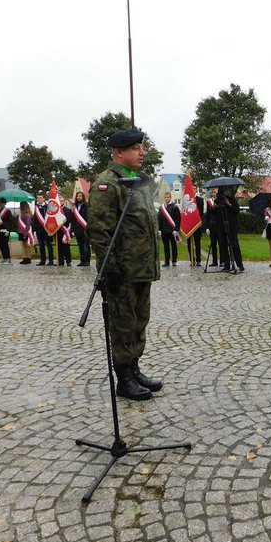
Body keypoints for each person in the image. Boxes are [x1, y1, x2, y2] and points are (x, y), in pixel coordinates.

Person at [87, 129, 162, 401]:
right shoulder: (108, 183)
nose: (141, 152)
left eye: (142, 147)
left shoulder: (138, 182)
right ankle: (124, 378)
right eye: (135, 148)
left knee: (139, 320)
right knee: (123, 322)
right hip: (122, 270)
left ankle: (134, 368)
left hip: (142, 267)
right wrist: (110, 268)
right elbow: (99, 230)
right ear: (119, 152)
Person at [216, 188, 244, 272]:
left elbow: (237, 210)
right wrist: (215, 207)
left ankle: (240, 264)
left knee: (235, 245)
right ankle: (227, 264)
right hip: (221, 227)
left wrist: (229, 204)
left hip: (231, 226)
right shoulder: (218, 201)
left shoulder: (232, 200)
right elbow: (214, 213)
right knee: (223, 246)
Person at [158, 191, 181, 267]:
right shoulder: (161, 208)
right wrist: (159, 229)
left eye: (168, 197)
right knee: (166, 247)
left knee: (173, 246)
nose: (166, 199)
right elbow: (159, 219)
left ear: (170, 197)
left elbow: (178, 219)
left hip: (172, 231)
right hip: (164, 231)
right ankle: (167, 261)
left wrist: (176, 230)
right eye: (165, 197)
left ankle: (174, 261)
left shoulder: (175, 207)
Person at [33, 191, 55, 266]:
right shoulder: (35, 207)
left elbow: (51, 218)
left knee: (49, 245)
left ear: (44, 199)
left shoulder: (47, 207)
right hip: (39, 229)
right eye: (37, 198)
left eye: (40, 198)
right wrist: (34, 229)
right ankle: (42, 261)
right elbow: (34, 219)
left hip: (47, 229)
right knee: (41, 246)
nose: (38, 199)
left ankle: (51, 261)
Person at [73, 191, 91, 266]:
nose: (78, 197)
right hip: (77, 230)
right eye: (77, 196)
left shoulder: (86, 206)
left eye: (80, 196)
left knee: (86, 246)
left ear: (83, 197)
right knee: (80, 247)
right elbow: (73, 219)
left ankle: (87, 261)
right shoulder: (74, 207)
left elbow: (89, 218)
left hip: (85, 229)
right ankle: (82, 260)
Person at [187, 194, 205, 266]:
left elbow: (201, 213)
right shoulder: (187, 199)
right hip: (189, 225)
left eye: (195, 188)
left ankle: (198, 260)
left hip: (197, 224)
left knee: (197, 243)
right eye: (192, 188)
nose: (193, 189)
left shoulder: (200, 200)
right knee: (189, 243)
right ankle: (192, 259)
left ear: (196, 190)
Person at [0, 197, 14, 264]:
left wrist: (8, 230)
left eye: (1, 203)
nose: (0, 204)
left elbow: (10, 222)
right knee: (0, 244)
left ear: (4, 203)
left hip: (6, 230)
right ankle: (4, 257)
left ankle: (8, 258)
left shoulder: (7, 211)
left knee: (5, 244)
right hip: (0, 230)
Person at [204, 189, 219, 267]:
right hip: (212, 225)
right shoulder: (209, 202)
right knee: (213, 244)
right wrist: (207, 227)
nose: (213, 193)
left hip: (219, 225)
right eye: (212, 192)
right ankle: (214, 261)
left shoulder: (219, 201)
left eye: (215, 192)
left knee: (221, 244)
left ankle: (223, 261)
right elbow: (208, 215)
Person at [57, 197, 73, 266]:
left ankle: (68, 261)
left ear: (64, 202)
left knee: (66, 247)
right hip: (58, 230)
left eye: (62, 201)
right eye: (59, 201)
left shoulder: (68, 210)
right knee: (59, 247)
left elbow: (69, 220)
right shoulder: (55, 211)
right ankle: (60, 261)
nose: (60, 202)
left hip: (65, 231)